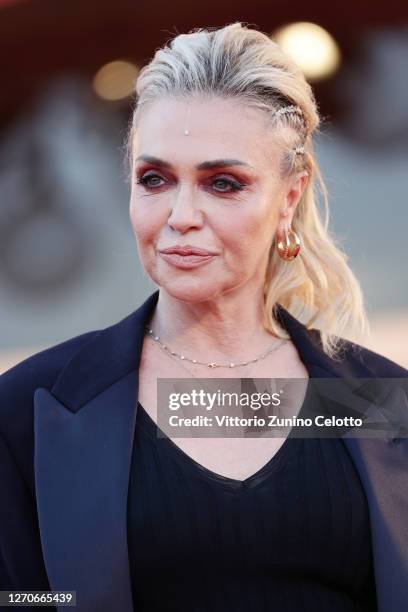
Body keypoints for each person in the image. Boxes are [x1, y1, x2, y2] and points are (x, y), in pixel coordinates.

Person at [0, 21, 407, 612]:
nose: (181, 214)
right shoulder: (30, 410)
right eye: (155, 179)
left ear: (289, 197)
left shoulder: (376, 403)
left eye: (223, 183)